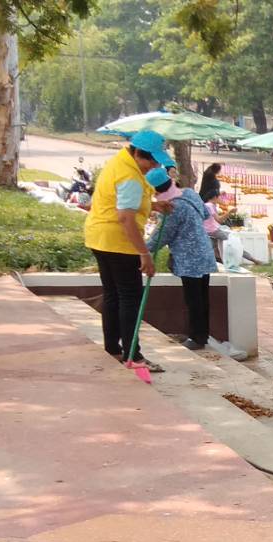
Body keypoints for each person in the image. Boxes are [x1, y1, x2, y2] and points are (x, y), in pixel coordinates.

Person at [85, 130, 173, 371]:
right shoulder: (130, 176)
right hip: (118, 242)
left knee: (113, 295)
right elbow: (126, 218)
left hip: (99, 237)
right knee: (130, 298)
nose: (152, 165)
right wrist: (144, 253)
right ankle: (133, 355)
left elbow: (123, 203)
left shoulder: (119, 162)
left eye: (156, 161)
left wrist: (153, 205)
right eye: (150, 160)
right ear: (136, 152)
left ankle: (113, 349)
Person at [144, 166, 218, 351]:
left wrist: (140, 250)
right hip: (204, 251)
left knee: (193, 299)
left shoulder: (172, 207)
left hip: (190, 258)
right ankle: (202, 335)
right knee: (202, 297)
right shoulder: (189, 193)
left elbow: (162, 236)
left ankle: (196, 337)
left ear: (154, 191)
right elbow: (205, 214)